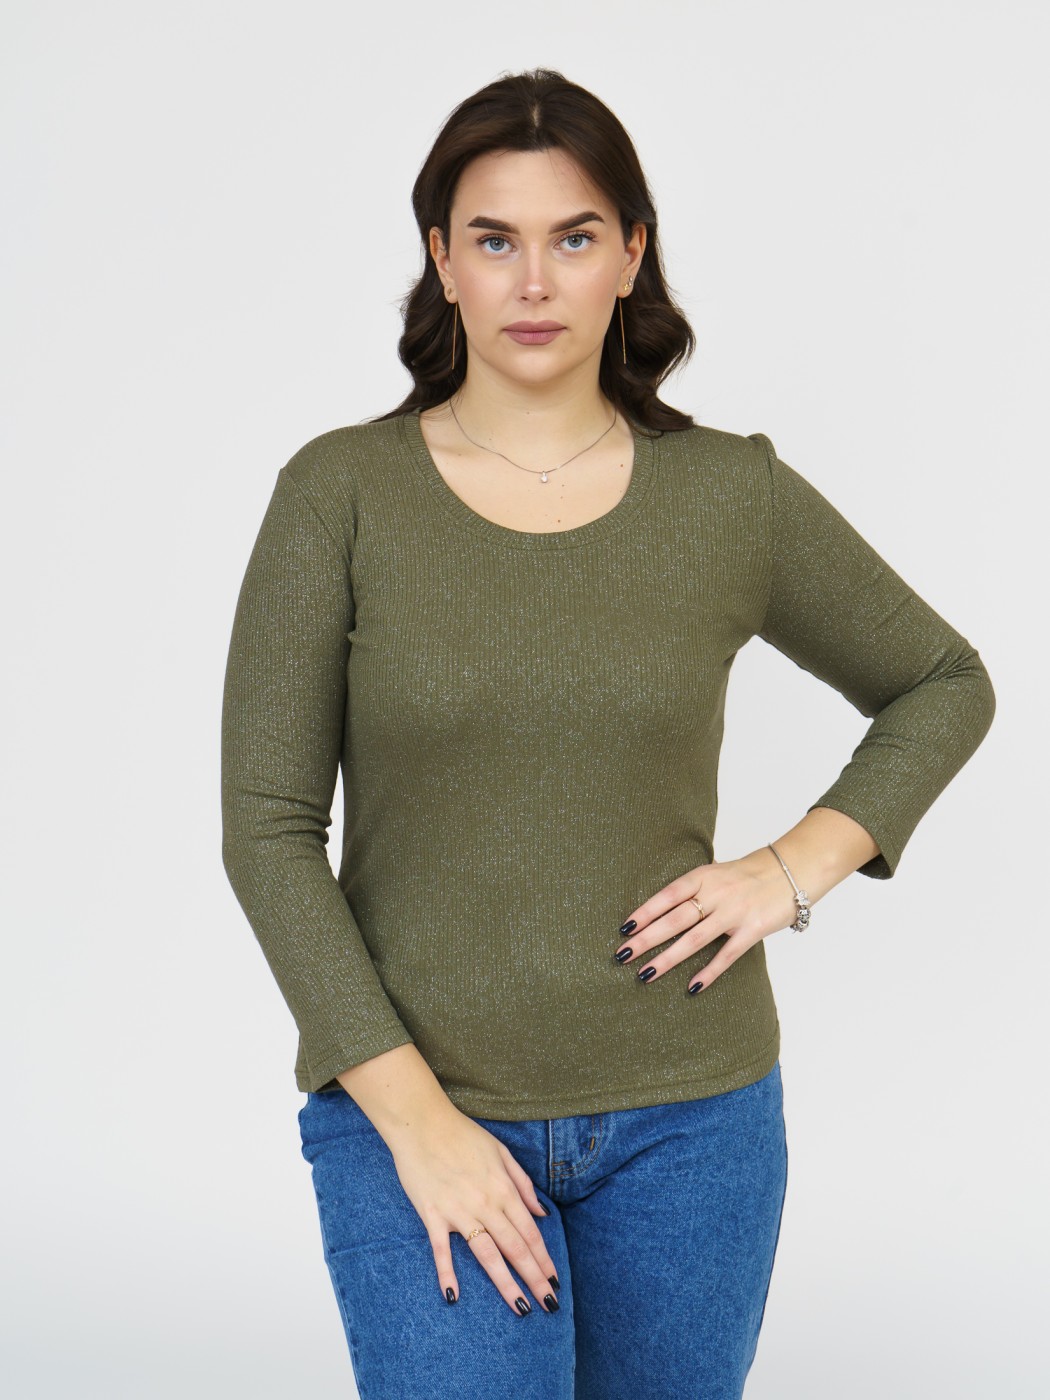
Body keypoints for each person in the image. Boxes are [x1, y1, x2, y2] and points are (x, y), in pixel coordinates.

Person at [220, 69, 996, 1400]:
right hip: (419, 1114)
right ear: (440, 262)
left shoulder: (729, 496)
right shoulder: (339, 495)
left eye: (573, 237)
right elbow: (269, 829)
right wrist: (418, 1123)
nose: (534, 281)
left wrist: (791, 869)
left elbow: (941, 679)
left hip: (693, 1124)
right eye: (494, 240)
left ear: (631, 255)